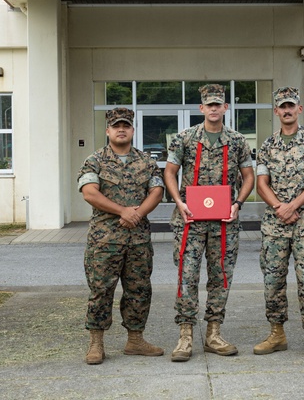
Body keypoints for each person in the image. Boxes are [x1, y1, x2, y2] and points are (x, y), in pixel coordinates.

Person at [163, 83, 255, 361]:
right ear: (201, 108)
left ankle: (213, 333)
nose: (214, 109)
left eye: (219, 104)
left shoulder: (237, 140)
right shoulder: (185, 138)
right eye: (209, 105)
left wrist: (238, 203)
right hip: (190, 219)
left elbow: (248, 176)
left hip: (224, 221)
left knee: (221, 277)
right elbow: (170, 172)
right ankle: (185, 336)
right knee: (187, 276)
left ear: (226, 108)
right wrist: (178, 202)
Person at [77, 107, 165, 365]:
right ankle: (96, 343)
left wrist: (136, 215)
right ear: (108, 130)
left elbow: (157, 192)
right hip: (105, 241)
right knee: (101, 290)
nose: (121, 129)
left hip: (138, 240)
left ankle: (135, 340)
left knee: (139, 290)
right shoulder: (95, 160)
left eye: (126, 125)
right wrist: (123, 211)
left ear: (133, 130)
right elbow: (90, 193)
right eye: (116, 126)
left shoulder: (146, 161)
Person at [252, 86, 304, 360]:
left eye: (291, 106)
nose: (286, 110)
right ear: (276, 111)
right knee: (273, 281)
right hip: (275, 225)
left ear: (299, 109)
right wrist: (278, 207)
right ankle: (277, 334)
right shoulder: (267, 146)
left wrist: (292, 206)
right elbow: (261, 184)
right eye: (282, 106)